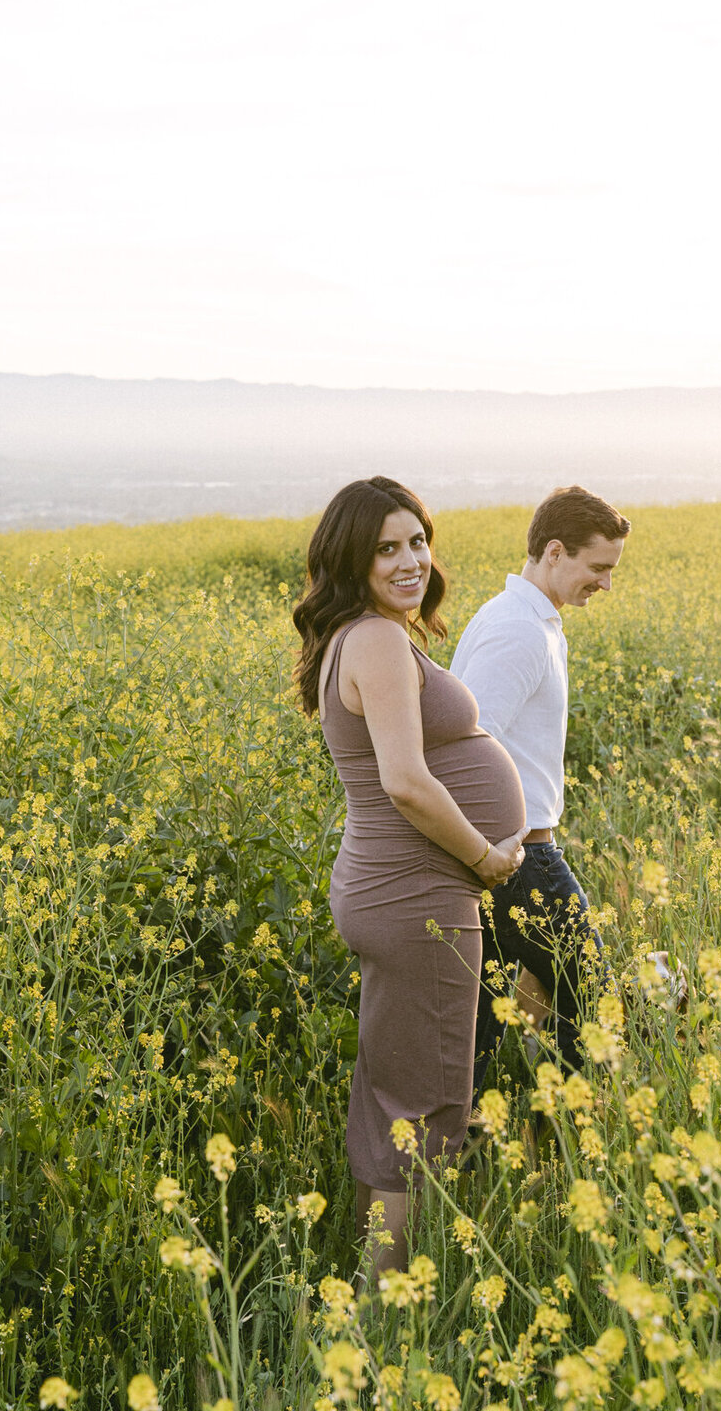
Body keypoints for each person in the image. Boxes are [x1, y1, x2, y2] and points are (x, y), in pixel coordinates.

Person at [293, 476, 526, 1279]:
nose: (409, 560)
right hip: (417, 891)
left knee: (390, 1086)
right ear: (351, 561)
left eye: (418, 541)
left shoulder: (362, 637)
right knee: (421, 1103)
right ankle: (384, 1298)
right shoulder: (378, 641)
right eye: (386, 548)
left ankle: (368, 1278)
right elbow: (407, 781)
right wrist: (487, 858)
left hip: (391, 885)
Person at [450, 484, 630, 1087]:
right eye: (599, 567)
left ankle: (455, 1150)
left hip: (505, 855)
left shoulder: (526, 619)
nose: (606, 584)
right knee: (593, 1009)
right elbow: (466, 749)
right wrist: (491, 855)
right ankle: (584, 1134)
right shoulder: (518, 631)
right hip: (522, 858)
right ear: (555, 551)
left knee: (479, 1026)